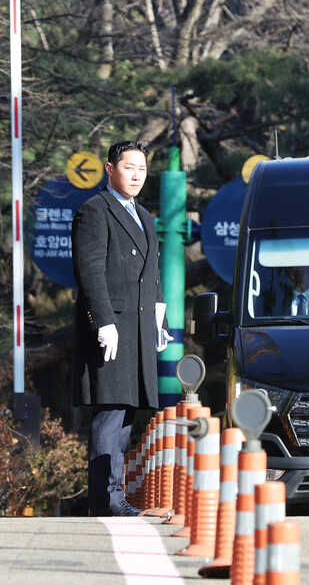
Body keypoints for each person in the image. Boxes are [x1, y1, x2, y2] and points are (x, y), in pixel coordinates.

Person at [72, 140, 172, 517]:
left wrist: (159, 314)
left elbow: (152, 271)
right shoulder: (94, 211)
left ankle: (112, 496)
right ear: (110, 169)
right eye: (128, 167)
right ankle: (106, 498)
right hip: (112, 326)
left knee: (127, 412)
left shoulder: (144, 215)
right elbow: (90, 272)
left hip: (139, 325)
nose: (136, 175)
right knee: (111, 411)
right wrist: (103, 321)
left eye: (142, 169)